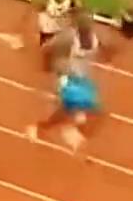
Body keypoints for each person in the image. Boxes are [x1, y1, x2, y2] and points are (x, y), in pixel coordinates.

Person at [26, 9, 113, 154]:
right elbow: (48, 48)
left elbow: (102, 50)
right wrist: (49, 66)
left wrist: (107, 59)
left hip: (83, 78)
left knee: (77, 109)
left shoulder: (92, 37)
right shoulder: (69, 36)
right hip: (68, 77)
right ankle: (42, 127)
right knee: (72, 108)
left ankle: (62, 127)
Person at [4, 0, 79, 71]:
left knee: (50, 55)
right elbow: (76, 9)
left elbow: (36, 6)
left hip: (51, 32)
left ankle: (53, 61)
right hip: (58, 32)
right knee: (58, 53)